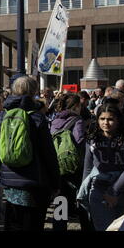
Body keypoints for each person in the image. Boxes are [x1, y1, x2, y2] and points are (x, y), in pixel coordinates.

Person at [0, 76, 61, 231]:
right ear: (33, 92)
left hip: (9, 182)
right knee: (32, 224)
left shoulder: (3, 115)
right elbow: (48, 153)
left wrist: (7, 162)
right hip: (34, 181)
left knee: (12, 223)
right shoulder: (36, 117)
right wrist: (56, 182)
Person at [78, 105, 124, 231]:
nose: (106, 123)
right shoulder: (92, 139)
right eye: (102, 118)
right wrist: (84, 191)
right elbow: (88, 168)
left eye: (110, 119)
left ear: (118, 120)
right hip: (99, 191)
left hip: (123, 192)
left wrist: (114, 191)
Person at [50, 94, 93, 231]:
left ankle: (59, 228)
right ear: (75, 106)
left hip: (58, 165)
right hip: (74, 167)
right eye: (80, 105)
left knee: (60, 199)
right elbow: (79, 141)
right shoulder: (77, 120)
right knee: (81, 198)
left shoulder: (55, 119)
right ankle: (86, 226)